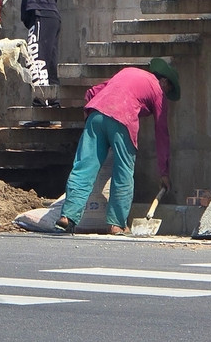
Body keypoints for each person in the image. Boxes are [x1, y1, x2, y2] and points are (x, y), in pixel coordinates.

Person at [55, 57, 180, 235]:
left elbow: (92, 92)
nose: (166, 94)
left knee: (84, 167)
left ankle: (67, 216)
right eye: (168, 89)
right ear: (164, 81)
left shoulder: (127, 72)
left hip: (95, 114)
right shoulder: (158, 91)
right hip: (122, 119)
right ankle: (117, 224)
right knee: (123, 172)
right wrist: (164, 172)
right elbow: (162, 134)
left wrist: (90, 119)